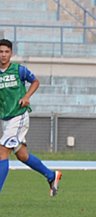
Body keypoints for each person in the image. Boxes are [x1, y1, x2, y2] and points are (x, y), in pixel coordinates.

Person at [0, 39, 61, 196]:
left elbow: (35, 81)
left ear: (11, 54)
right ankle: (51, 175)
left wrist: (27, 96)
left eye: (6, 52)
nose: (3, 55)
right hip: (6, 120)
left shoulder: (19, 70)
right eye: (1, 52)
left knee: (2, 152)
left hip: (19, 116)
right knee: (22, 155)